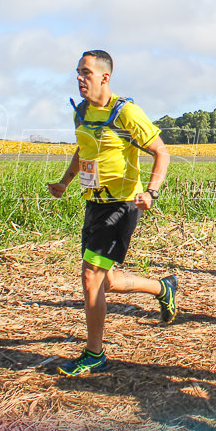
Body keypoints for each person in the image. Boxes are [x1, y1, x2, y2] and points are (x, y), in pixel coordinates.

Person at [47, 49, 175, 376]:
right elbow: (83, 151)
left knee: (91, 275)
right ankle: (163, 288)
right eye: (78, 71)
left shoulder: (125, 113)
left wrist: (151, 191)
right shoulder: (82, 113)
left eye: (86, 72)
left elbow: (161, 153)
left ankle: (94, 354)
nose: (79, 78)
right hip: (94, 204)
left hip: (122, 205)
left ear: (105, 77)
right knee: (107, 282)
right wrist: (64, 182)